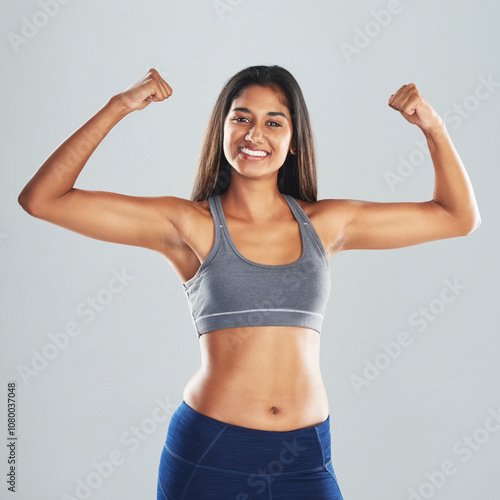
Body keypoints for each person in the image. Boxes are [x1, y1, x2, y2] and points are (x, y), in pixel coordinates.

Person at [18, 65, 481, 499]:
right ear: (221, 130)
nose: (254, 134)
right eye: (241, 118)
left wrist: (434, 128)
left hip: (305, 456)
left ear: (295, 141)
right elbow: (43, 199)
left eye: (274, 122)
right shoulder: (188, 224)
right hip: (211, 451)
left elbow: (457, 217)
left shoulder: (326, 223)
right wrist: (120, 105)